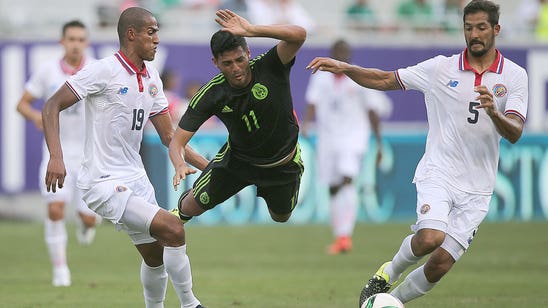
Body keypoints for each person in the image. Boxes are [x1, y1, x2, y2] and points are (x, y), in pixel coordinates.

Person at [307, 0, 528, 305]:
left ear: (496, 29)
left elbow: (515, 131)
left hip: (478, 189)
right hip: (439, 171)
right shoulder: (440, 68)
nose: (474, 34)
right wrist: (346, 68)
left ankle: (389, 302)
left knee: (439, 265)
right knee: (430, 238)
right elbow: (385, 79)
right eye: (468, 28)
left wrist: (494, 113)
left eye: (481, 27)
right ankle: (385, 274)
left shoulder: (515, 77)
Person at [42, 7, 208, 308]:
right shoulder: (103, 70)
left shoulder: (152, 76)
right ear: (131, 34)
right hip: (103, 181)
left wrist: (210, 167)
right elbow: (51, 105)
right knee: (173, 228)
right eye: (151, 32)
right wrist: (57, 156)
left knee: (156, 256)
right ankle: (190, 304)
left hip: (136, 178)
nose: (157, 39)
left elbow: (171, 137)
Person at [168, 9, 306, 226]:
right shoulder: (211, 94)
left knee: (281, 217)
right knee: (189, 207)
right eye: (227, 63)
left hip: (282, 163)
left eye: (239, 59)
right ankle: (167, 230)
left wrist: (252, 29)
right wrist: (178, 164)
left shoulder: (271, 65)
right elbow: (177, 142)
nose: (236, 68)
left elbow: (299, 35)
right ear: (215, 63)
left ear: (248, 53)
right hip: (237, 162)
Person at [15, 20, 100, 287]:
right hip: (55, 153)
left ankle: (88, 223)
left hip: (89, 156)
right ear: (62, 42)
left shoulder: (97, 70)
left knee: (86, 216)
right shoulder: (48, 72)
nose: (76, 44)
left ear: (86, 43)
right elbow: (22, 104)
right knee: (55, 209)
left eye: (80, 39)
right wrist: (36, 117)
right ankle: (60, 270)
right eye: (71, 39)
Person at [302, 39, 391, 255]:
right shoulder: (321, 78)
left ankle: (345, 236)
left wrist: (379, 143)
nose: (341, 55)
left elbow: (372, 111)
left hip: (353, 137)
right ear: (331, 54)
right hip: (328, 137)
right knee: (332, 186)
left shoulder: (359, 77)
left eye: (345, 52)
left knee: (347, 179)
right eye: (337, 52)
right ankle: (339, 235)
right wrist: (305, 124)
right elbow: (312, 103)